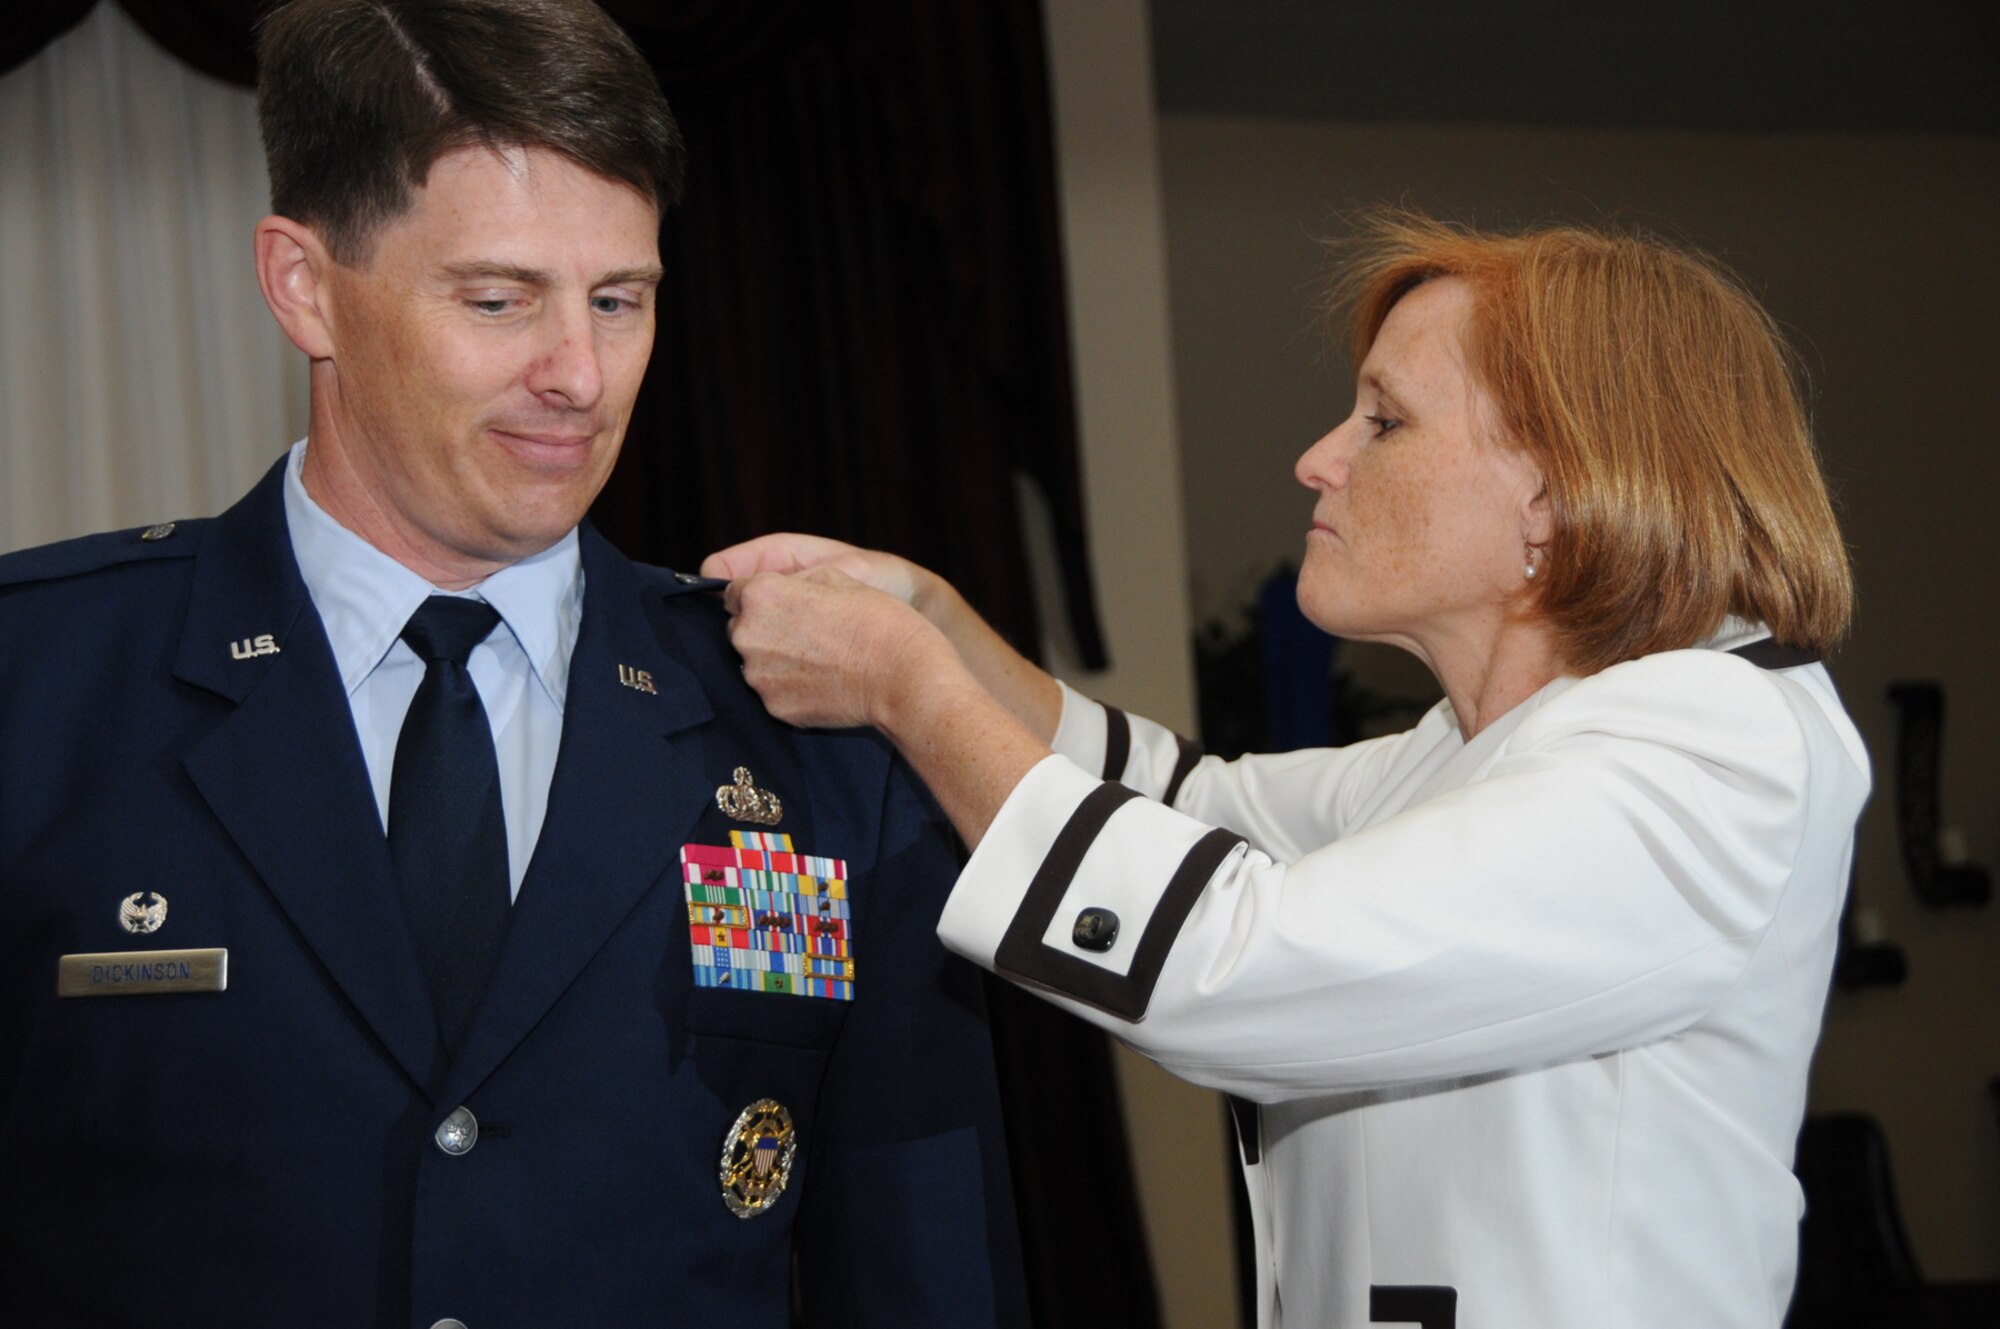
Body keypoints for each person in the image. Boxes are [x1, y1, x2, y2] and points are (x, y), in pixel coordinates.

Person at [0, 1, 1026, 1324]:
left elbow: (922, 1269)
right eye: (498, 299)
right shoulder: (41, 685)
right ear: (305, 285)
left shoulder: (814, 721)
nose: (581, 377)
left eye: (619, 301)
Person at [709, 211, 1871, 1328]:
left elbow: (1232, 954)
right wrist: (940, 625)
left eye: (1383, 421)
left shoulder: (1715, 746)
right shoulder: (1477, 747)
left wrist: (910, 690)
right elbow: (1190, 806)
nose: (1317, 460)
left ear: (1552, 493)